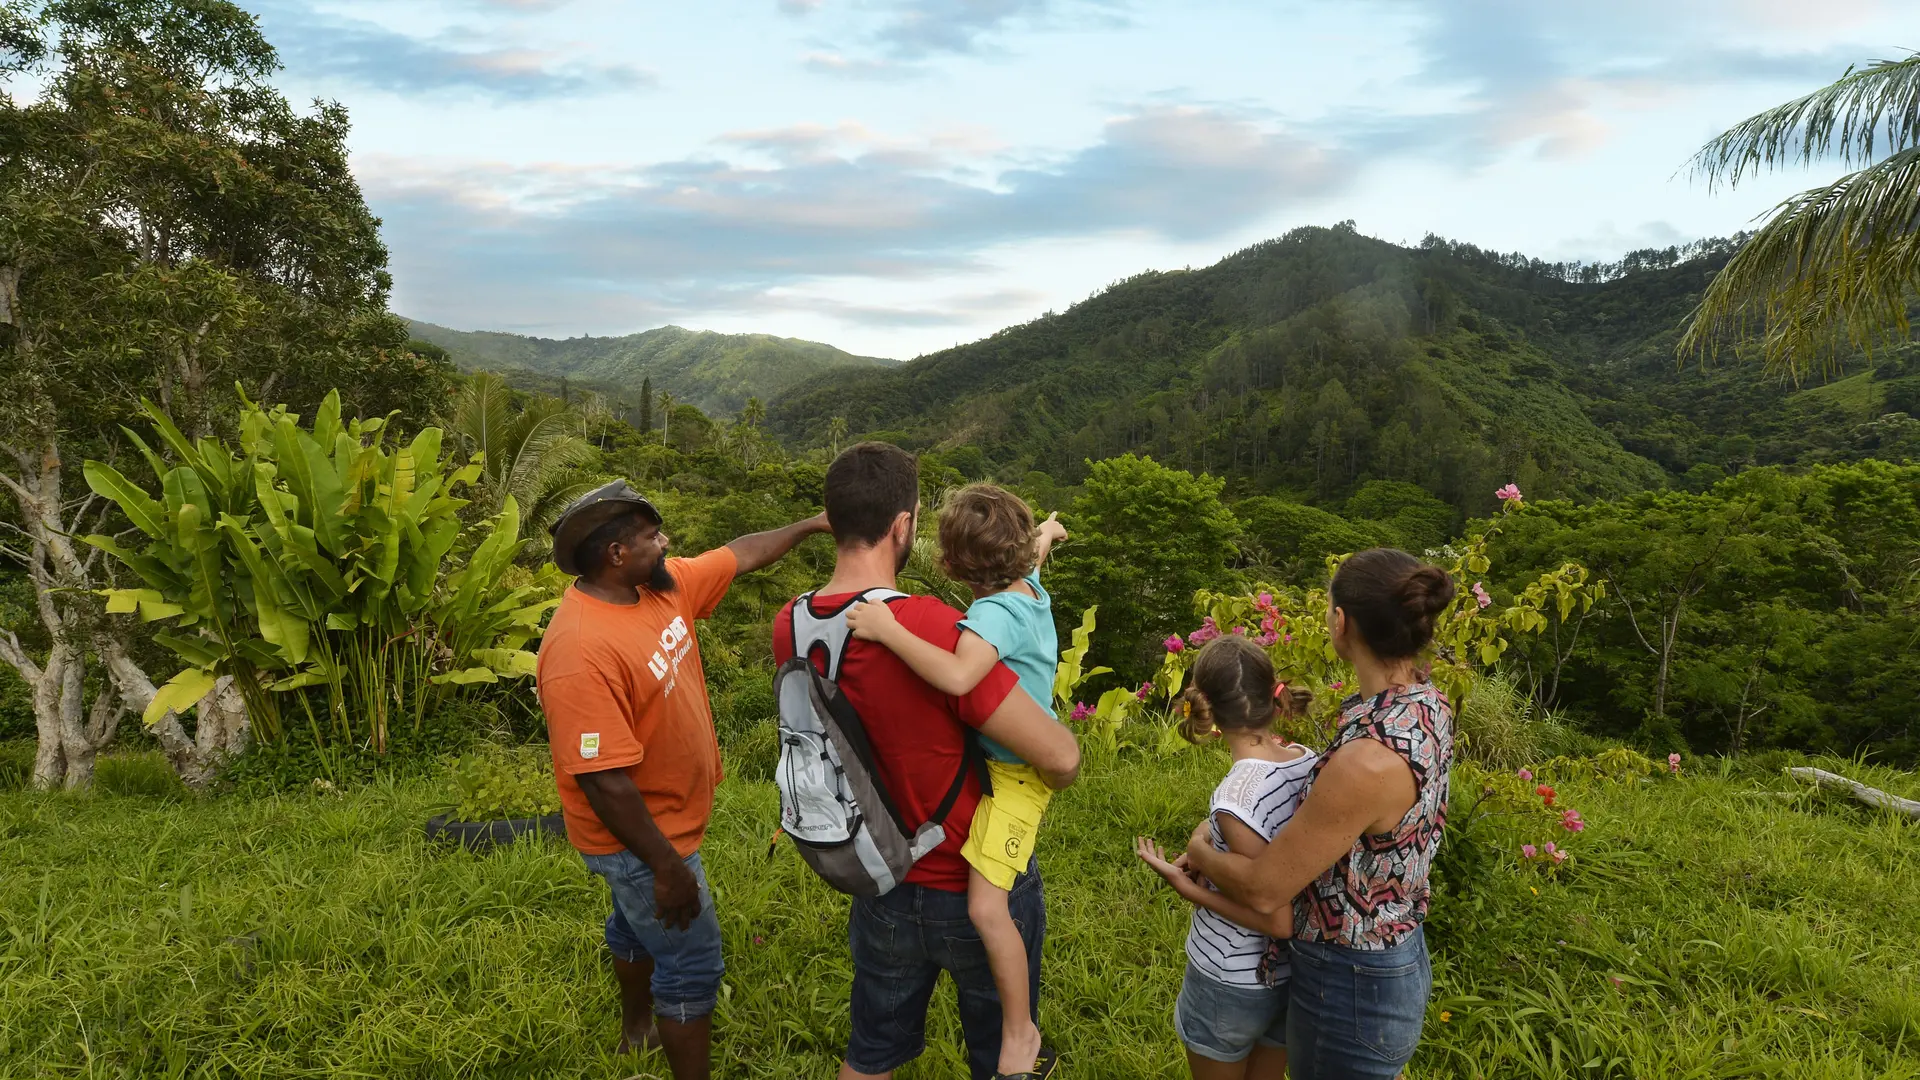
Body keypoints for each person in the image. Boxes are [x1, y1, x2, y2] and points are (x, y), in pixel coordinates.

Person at [772, 443, 1082, 1080]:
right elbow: (1060, 754)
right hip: (970, 872)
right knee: (1003, 1057)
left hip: (878, 873)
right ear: (902, 526)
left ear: (832, 519)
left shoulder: (793, 624)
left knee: (870, 1053)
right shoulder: (933, 627)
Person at [537, 479, 829, 1080]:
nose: (665, 542)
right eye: (652, 536)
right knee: (693, 963)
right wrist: (666, 868)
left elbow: (741, 553)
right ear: (616, 554)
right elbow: (604, 783)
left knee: (633, 923)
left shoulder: (656, 590)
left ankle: (635, 1027)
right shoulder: (580, 650)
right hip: (642, 837)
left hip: (668, 822)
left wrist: (812, 525)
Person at [1180, 548, 1456, 1080]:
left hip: (1351, 983)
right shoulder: (1426, 704)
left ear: (1341, 621)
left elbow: (1263, 889)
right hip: (1393, 947)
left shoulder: (1365, 760)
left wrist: (1198, 852)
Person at [842, 483, 1069, 1079]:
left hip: (1018, 776)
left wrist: (888, 628)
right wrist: (1049, 529)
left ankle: (1020, 1033)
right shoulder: (1030, 588)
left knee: (989, 909)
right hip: (1009, 763)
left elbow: (961, 677)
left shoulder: (992, 614)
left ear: (947, 564)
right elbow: (1037, 549)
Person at [1135, 635, 1318, 1080]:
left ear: (1209, 712)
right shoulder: (1306, 761)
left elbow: (1276, 918)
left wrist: (1189, 889)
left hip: (1230, 975)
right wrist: (1206, 844)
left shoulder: (1236, 798)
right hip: (1291, 974)